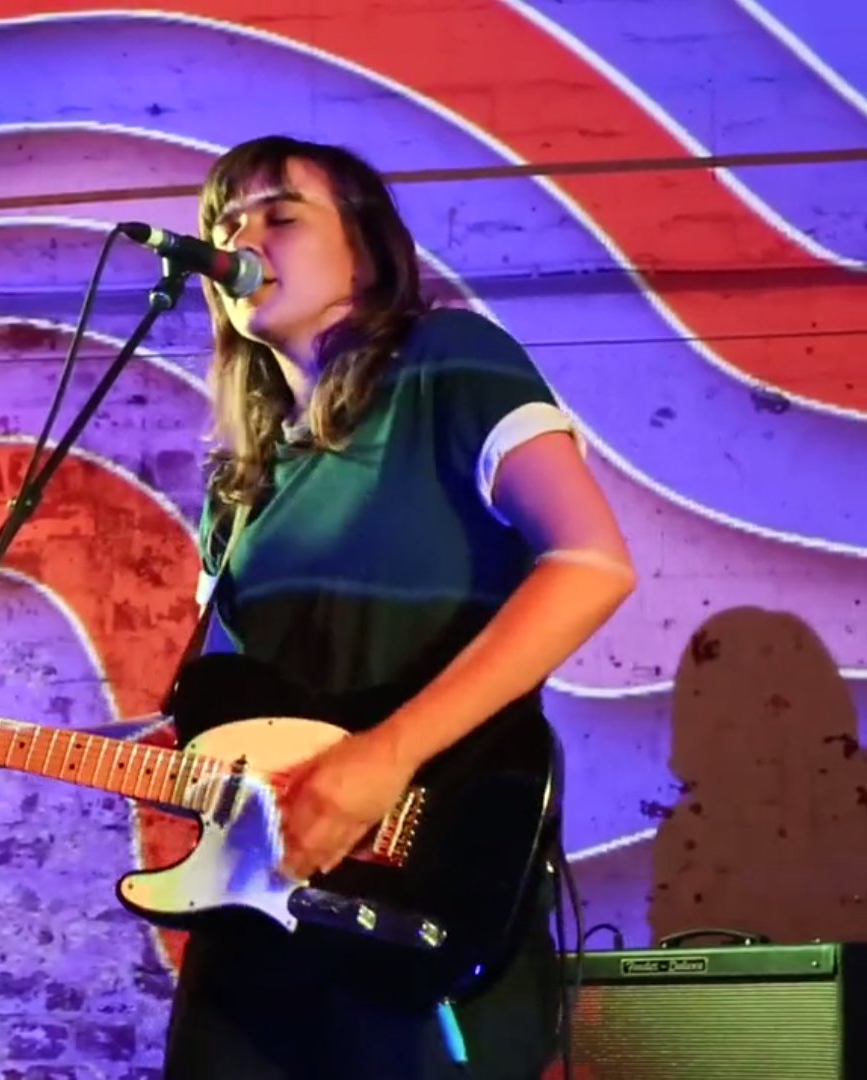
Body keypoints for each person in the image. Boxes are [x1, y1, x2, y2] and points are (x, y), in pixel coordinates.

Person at [162, 136, 638, 1079]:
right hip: (262, 912)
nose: (239, 239)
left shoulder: (450, 361)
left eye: (279, 216)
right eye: (224, 222)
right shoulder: (241, 484)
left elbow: (590, 562)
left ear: (369, 252)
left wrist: (385, 756)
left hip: (427, 894)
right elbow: (235, 713)